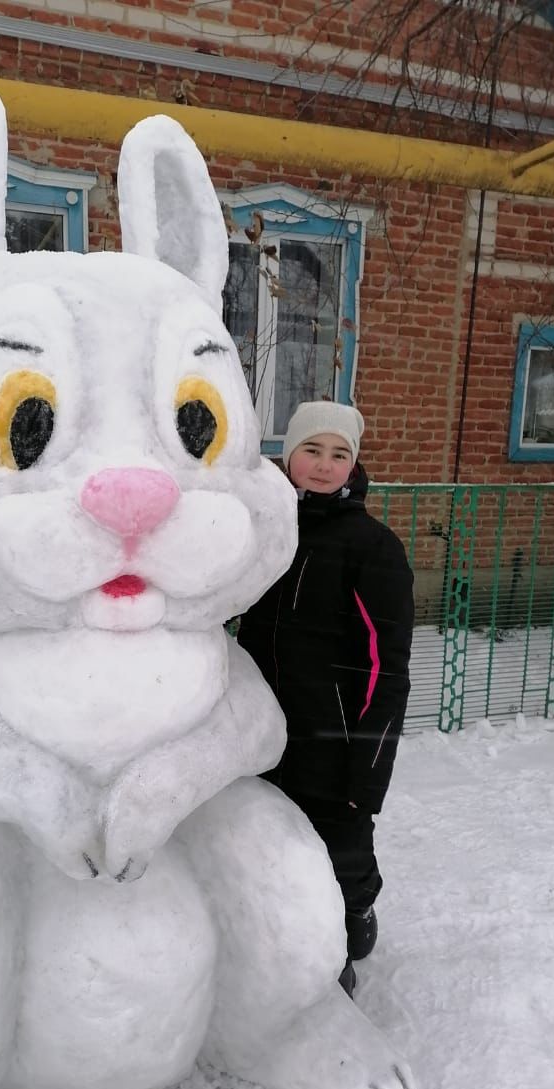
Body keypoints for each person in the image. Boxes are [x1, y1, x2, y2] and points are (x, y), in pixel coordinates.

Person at [236, 401, 414, 997]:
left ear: (354, 466)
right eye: (312, 450)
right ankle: (288, 937)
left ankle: (348, 925)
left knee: (341, 850)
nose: (324, 465)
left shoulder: (373, 547)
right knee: (270, 846)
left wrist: (367, 760)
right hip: (263, 731)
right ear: (288, 457)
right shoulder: (264, 538)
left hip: (334, 738)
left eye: (340, 454)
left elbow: (388, 668)